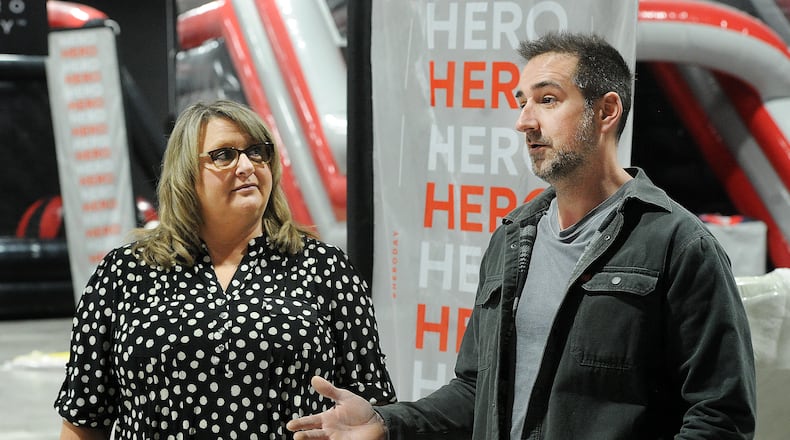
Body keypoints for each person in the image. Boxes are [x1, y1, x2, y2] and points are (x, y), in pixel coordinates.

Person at [286, 32, 757, 439]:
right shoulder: (513, 239)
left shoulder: (677, 242)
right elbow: (475, 390)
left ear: (607, 111)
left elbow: (720, 416)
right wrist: (387, 424)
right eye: (521, 102)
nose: (524, 121)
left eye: (547, 99)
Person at [54, 99, 397, 439]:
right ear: (185, 173)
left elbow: (372, 407)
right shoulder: (123, 273)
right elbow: (84, 417)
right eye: (224, 155)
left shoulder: (326, 269)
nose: (247, 165)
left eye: (257, 151)